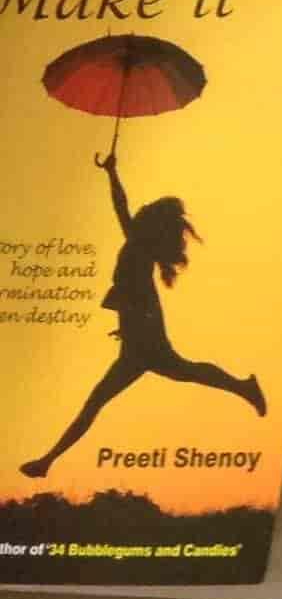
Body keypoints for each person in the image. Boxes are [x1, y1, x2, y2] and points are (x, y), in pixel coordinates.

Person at [20, 152, 264, 478]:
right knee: (182, 372)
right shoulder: (138, 246)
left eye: (145, 211)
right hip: (138, 343)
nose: (141, 210)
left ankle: (46, 462)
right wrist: (128, 328)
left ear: (149, 224)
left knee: (107, 398)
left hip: (143, 343)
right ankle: (46, 462)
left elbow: (121, 209)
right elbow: (135, 298)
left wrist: (112, 173)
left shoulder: (138, 245)